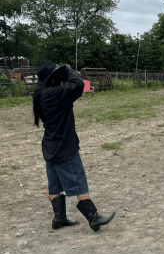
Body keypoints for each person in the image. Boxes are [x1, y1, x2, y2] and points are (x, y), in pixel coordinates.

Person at [33, 62, 115, 233]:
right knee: (78, 178)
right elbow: (79, 85)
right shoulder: (53, 93)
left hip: (50, 145)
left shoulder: (42, 93)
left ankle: (59, 217)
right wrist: (69, 70)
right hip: (64, 145)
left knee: (54, 184)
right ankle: (93, 218)